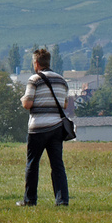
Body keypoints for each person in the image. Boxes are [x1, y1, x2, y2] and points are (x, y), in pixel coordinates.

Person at [19, 47, 71, 207]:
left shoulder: (34, 80)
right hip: (56, 128)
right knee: (57, 165)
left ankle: (30, 200)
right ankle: (62, 200)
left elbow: (27, 104)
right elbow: (65, 104)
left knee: (32, 164)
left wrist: (22, 99)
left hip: (38, 128)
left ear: (36, 64)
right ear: (48, 62)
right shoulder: (62, 80)